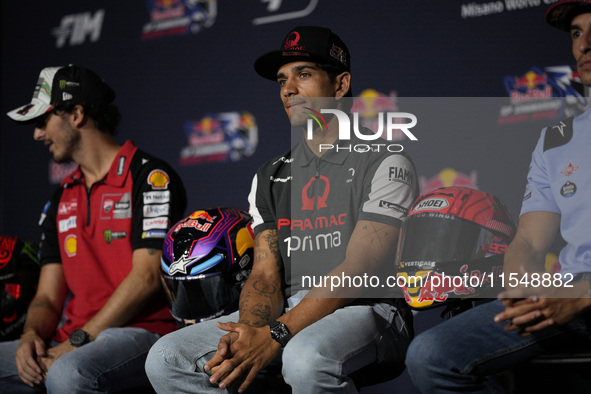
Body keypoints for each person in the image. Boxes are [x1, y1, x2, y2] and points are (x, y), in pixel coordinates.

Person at [145, 26, 418, 393]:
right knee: (166, 359)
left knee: (304, 358)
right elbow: (264, 275)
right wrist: (249, 330)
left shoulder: (385, 160)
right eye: (282, 80)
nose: (288, 90)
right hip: (290, 307)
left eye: (303, 75)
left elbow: (360, 268)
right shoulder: (271, 174)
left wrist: (276, 332)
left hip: (371, 307)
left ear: (340, 85)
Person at [405, 1, 591, 392]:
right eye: (576, 33)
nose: (585, 44)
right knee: (430, 355)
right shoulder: (558, 139)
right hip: (566, 292)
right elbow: (527, 239)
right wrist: (522, 284)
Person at [0, 65, 187, 393]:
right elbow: (46, 296)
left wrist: (78, 340)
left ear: (76, 114)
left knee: (68, 375)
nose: (37, 134)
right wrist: (30, 336)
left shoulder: (149, 177)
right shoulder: (62, 196)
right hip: (72, 336)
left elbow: (146, 278)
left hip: (142, 331)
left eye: (43, 122)